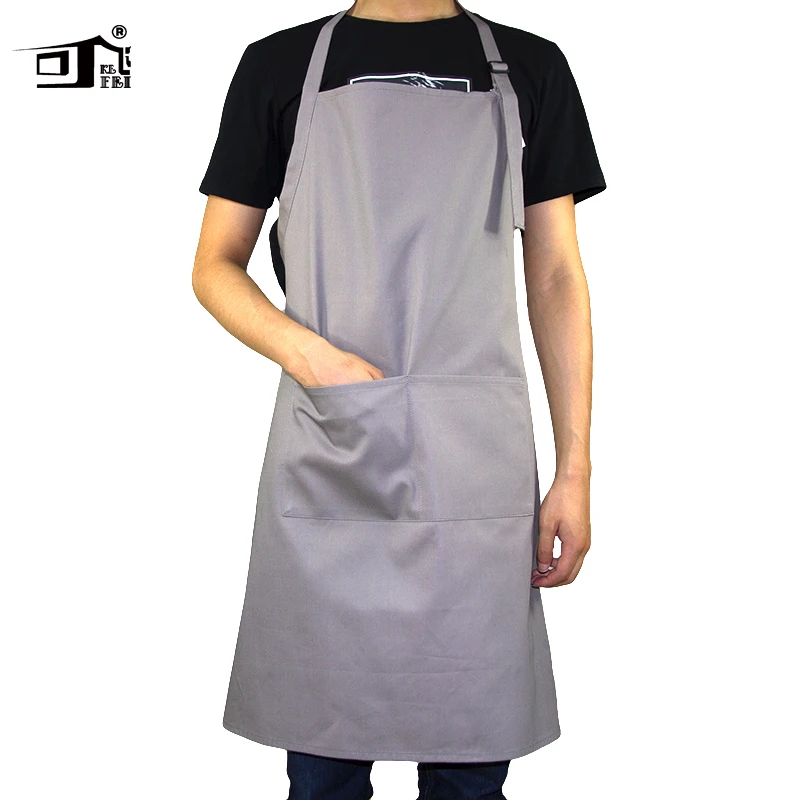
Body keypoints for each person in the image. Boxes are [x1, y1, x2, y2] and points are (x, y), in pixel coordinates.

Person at [193, 1, 605, 797]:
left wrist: (575, 470)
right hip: (333, 455)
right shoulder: (279, 65)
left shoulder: (532, 68)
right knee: (323, 775)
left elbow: (556, 275)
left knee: (470, 774)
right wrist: (310, 358)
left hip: (473, 464)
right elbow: (215, 264)